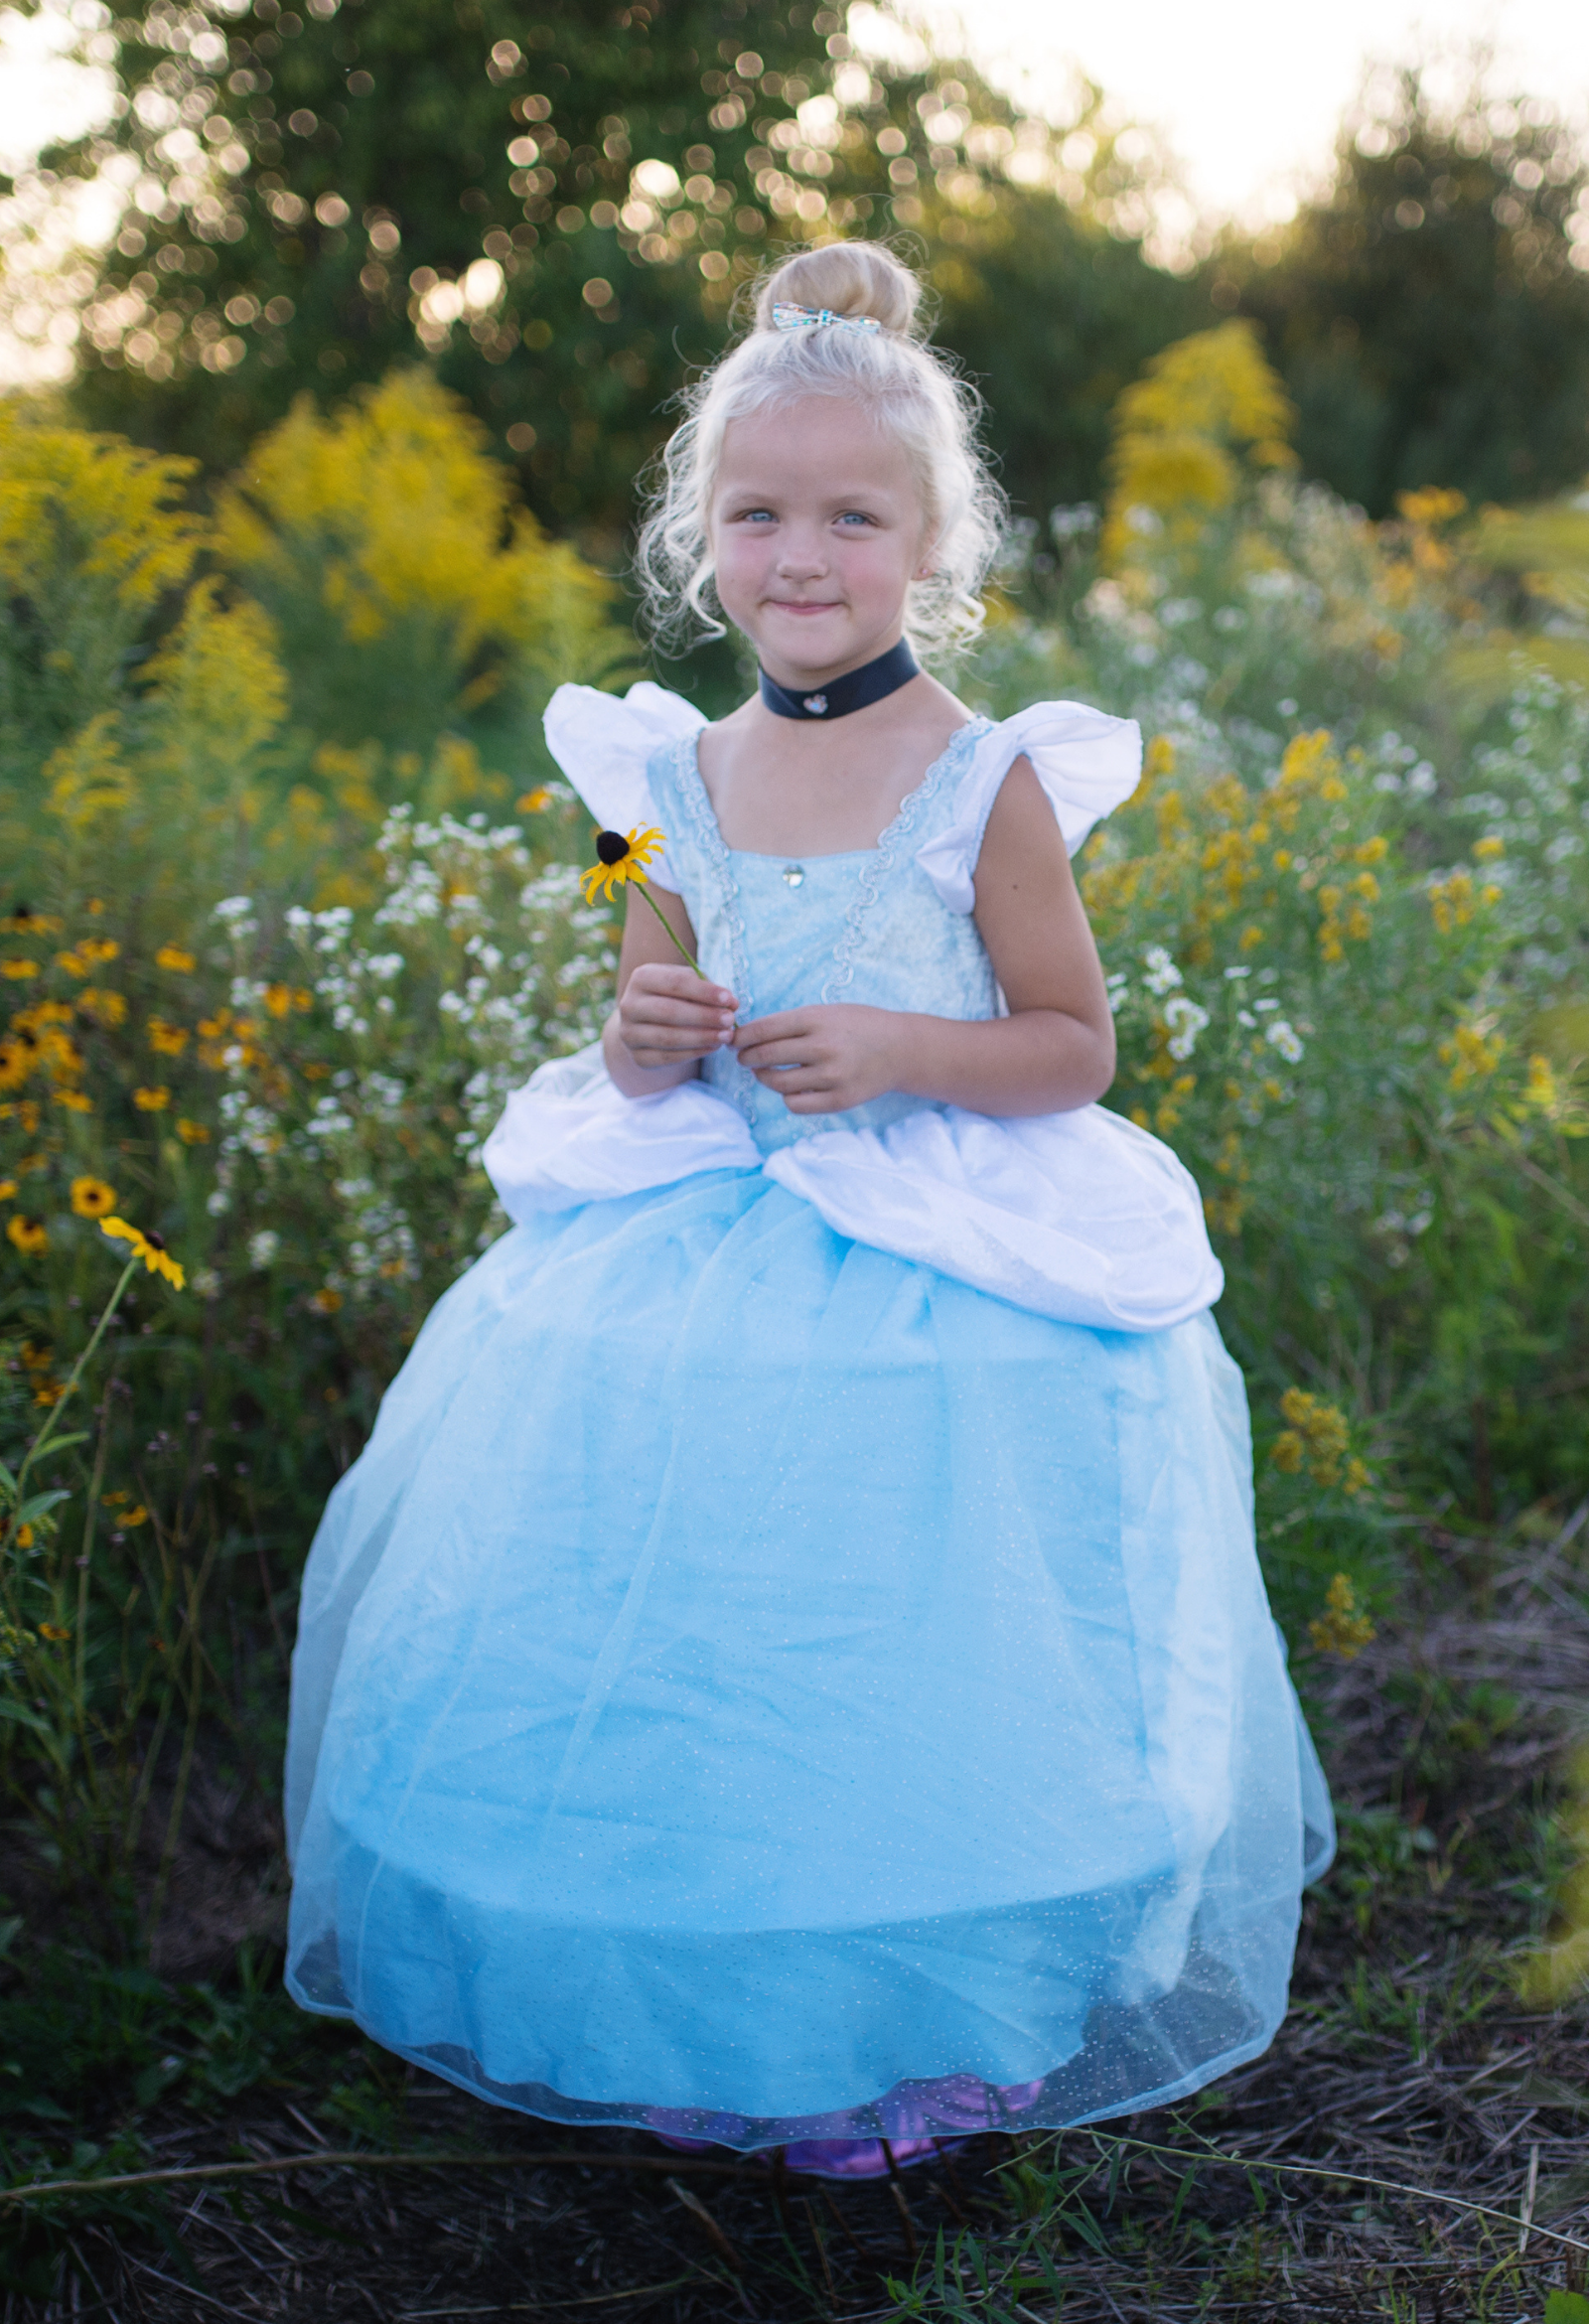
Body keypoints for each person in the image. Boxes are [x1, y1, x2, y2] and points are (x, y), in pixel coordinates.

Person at [284, 240, 1333, 2183]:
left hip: (937, 1260)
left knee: (893, 1647)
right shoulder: (649, 778)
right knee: (700, 1639)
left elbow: (1073, 1045)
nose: (799, 553)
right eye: (755, 513)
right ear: (701, 538)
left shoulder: (982, 781)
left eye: (852, 515)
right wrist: (642, 1032)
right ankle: (701, 1990)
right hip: (699, 1237)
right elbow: (637, 1001)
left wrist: (904, 1049)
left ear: (929, 543)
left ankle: (914, 2003)